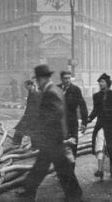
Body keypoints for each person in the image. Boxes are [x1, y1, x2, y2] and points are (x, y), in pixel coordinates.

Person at [17, 65, 82, 202]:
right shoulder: (56, 90)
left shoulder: (50, 92)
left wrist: (44, 131)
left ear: (42, 79)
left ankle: (75, 195)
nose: (37, 84)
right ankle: (29, 190)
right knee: (45, 165)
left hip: (53, 138)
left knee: (56, 167)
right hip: (54, 137)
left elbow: (55, 114)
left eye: (38, 81)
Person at [88, 73, 112, 180]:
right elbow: (95, 110)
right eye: (99, 82)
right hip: (101, 125)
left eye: (102, 82)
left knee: (111, 148)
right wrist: (89, 119)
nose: (100, 83)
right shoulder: (96, 96)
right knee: (100, 146)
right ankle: (100, 170)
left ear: (107, 83)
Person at [57, 71, 88, 163]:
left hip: (72, 124)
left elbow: (82, 106)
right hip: (58, 124)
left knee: (72, 147)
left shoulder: (75, 90)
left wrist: (84, 122)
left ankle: (71, 172)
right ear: (61, 79)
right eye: (65, 78)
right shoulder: (56, 89)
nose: (67, 80)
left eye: (69, 78)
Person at [13, 79, 42, 146]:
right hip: (29, 115)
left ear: (30, 85)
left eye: (26, 86)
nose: (25, 88)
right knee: (28, 130)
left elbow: (37, 106)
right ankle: (17, 144)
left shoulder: (35, 93)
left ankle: (17, 144)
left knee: (21, 129)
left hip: (32, 116)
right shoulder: (31, 92)